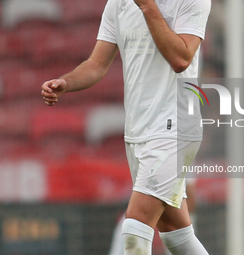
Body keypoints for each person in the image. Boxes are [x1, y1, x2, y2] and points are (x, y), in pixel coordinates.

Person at [41, 0, 211, 254]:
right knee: (177, 235)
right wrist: (65, 82)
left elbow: (182, 57)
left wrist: (148, 7)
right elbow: (97, 64)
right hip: (137, 132)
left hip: (173, 128)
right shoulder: (118, 3)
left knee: (134, 229)